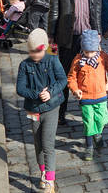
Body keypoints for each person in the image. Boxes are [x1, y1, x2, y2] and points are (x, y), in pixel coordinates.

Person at [48, 0, 102, 125]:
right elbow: (54, 7)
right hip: (67, 34)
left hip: (88, 35)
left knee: (88, 74)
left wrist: (98, 32)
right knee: (64, 73)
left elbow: (97, 8)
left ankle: (87, 113)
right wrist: (51, 34)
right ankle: (60, 112)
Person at [16, 29, 67, 193]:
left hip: (52, 108)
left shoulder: (52, 61)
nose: (35, 55)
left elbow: (62, 80)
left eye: (37, 51)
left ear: (44, 48)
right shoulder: (24, 65)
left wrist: (50, 92)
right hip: (33, 109)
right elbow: (20, 88)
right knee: (37, 143)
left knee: (48, 144)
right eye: (31, 51)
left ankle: (50, 181)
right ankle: (43, 173)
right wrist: (36, 95)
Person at [66, 29, 108, 161]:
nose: (90, 55)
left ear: (97, 48)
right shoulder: (78, 60)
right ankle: (89, 147)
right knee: (88, 122)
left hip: (100, 95)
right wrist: (75, 90)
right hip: (85, 98)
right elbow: (71, 78)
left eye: (92, 52)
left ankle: (98, 134)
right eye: (86, 52)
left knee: (102, 119)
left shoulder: (103, 57)